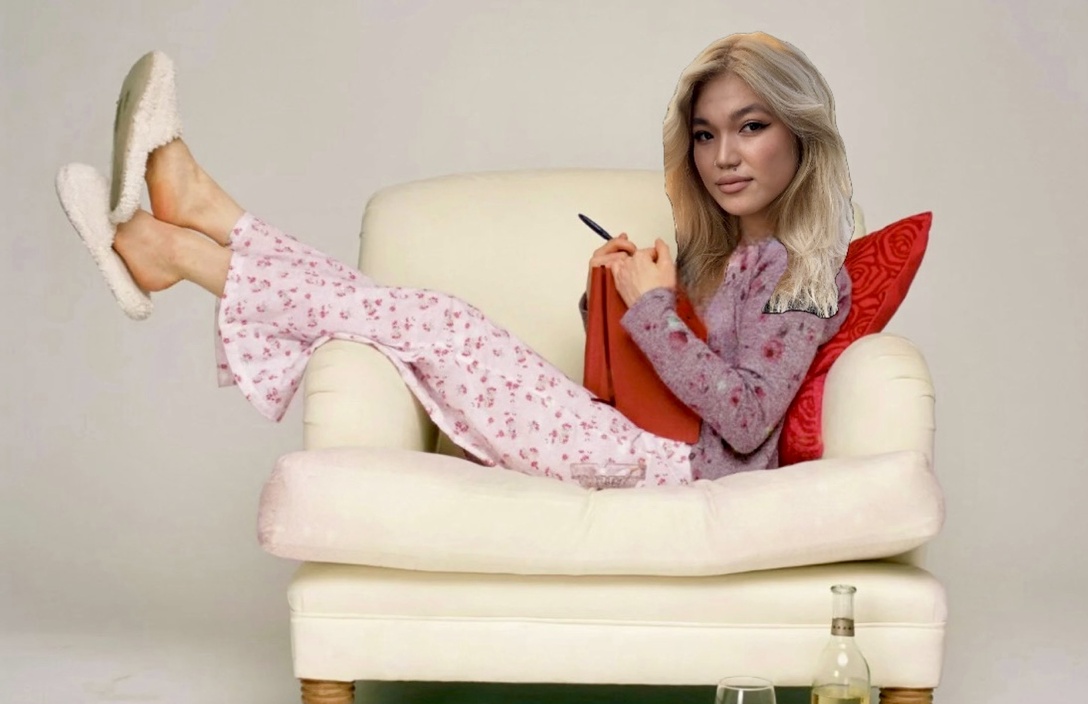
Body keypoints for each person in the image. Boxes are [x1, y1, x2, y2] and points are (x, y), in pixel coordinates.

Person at [58, 32, 853, 489]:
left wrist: (650, 308)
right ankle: (195, 227)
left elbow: (745, 419)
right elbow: (658, 376)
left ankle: (188, 240)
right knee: (412, 317)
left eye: (751, 127)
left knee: (436, 320)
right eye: (707, 134)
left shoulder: (807, 274)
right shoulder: (724, 254)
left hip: (670, 471)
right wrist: (616, 298)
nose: (723, 156)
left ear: (801, 133)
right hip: (630, 437)